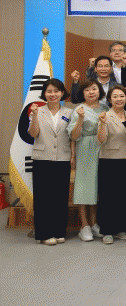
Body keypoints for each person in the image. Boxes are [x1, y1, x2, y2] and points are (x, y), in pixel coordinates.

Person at [27, 79, 72, 246]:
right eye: (49, 91)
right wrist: (35, 116)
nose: (53, 94)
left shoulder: (69, 112)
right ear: (44, 94)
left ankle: (59, 231)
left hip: (63, 158)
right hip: (42, 159)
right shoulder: (37, 111)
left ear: (62, 93)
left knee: (60, 197)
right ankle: (44, 234)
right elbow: (33, 133)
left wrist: (73, 156)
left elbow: (72, 137)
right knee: (43, 197)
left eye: (56, 91)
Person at [67, 79, 109, 242]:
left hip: (103, 148)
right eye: (87, 90)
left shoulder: (105, 108)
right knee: (84, 187)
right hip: (85, 148)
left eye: (94, 89)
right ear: (82, 93)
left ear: (100, 91)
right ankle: (84, 226)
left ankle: (94, 223)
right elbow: (73, 136)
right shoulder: (79, 109)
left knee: (97, 187)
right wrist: (80, 119)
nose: (91, 92)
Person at [96, 85, 126, 245]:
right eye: (115, 96)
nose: (119, 99)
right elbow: (101, 140)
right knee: (108, 197)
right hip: (109, 160)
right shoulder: (105, 116)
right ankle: (107, 230)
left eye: (122, 96)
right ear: (109, 99)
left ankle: (120, 228)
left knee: (123, 196)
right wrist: (103, 124)